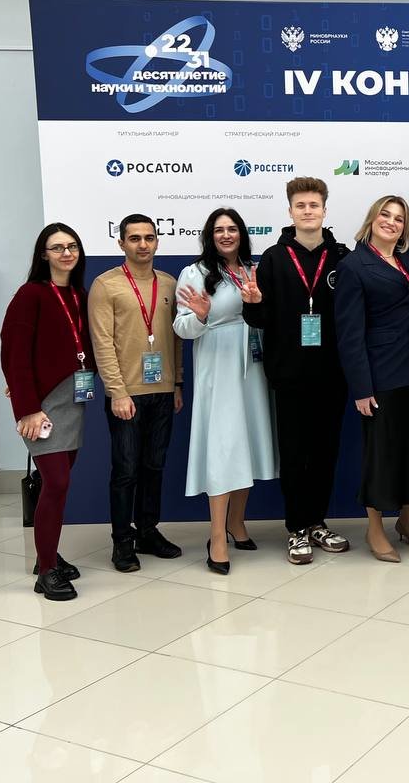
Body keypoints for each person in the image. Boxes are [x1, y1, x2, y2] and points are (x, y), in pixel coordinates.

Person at [336, 142, 409, 562]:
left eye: (399, 218)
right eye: (385, 215)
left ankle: (407, 519)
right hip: (380, 375)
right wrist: (361, 388)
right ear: (372, 220)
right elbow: (349, 335)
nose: (391, 222)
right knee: (381, 453)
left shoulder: (406, 254)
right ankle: (375, 528)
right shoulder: (353, 266)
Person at [241, 177, 350, 565]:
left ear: (324, 210)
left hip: (333, 373)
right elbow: (260, 319)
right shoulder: (273, 258)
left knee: (325, 452)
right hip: (288, 373)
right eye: (300, 205)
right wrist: (253, 303)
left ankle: (317, 522)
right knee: (294, 452)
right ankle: (296, 527)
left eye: (313, 205)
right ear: (290, 211)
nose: (307, 211)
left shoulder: (341, 256)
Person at [174, 207, 277, 575]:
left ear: (241, 234)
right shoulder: (195, 273)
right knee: (223, 446)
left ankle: (237, 521)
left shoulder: (254, 269)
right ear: (210, 235)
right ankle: (217, 535)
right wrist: (201, 314)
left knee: (245, 442)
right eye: (219, 229)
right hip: (218, 365)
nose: (226, 235)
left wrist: (258, 304)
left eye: (232, 229)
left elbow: (268, 317)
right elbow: (182, 328)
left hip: (254, 362)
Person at [0, 224, 96, 600]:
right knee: (56, 483)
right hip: (44, 406)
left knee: (57, 483)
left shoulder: (78, 294)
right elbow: (14, 352)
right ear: (44, 254)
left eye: (72, 246)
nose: (66, 253)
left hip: (74, 399)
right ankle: (46, 573)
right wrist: (26, 409)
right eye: (57, 248)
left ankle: (48, 554)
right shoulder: (31, 294)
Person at [88, 214, 184, 573]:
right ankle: (122, 542)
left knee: (154, 466)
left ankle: (147, 531)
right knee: (126, 470)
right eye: (134, 238)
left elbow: (176, 339)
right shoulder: (106, 284)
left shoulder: (169, 283)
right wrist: (117, 392)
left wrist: (177, 384)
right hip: (126, 394)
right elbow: (102, 342)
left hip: (163, 392)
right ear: (121, 243)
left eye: (149, 237)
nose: (143, 244)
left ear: (157, 241)